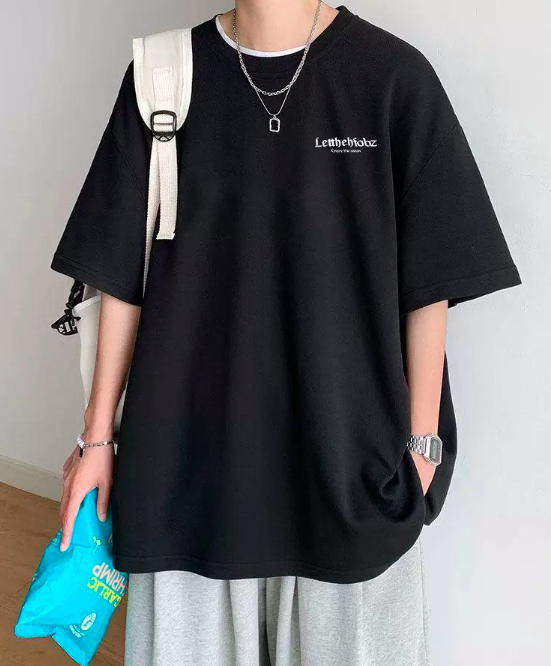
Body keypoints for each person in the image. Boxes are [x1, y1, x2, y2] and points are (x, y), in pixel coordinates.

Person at [51, 2, 521, 665]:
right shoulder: (161, 76)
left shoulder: (392, 78)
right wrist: (97, 439)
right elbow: (120, 276)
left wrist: (422, 448)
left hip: (350, 470)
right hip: (188, 471)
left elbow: (430, 282)